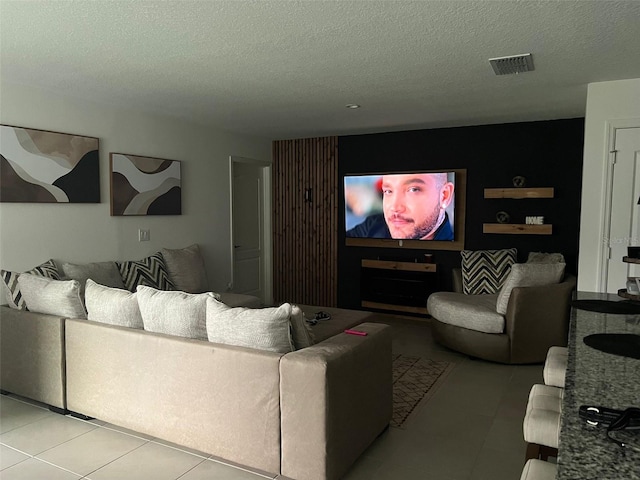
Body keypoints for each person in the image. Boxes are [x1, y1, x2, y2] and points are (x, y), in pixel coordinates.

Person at [346, 172, 454, 240]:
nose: (395, 207)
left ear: (444, 196)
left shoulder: (457, 256)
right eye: (388, 191)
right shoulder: (372, 226)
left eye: (413, 190)